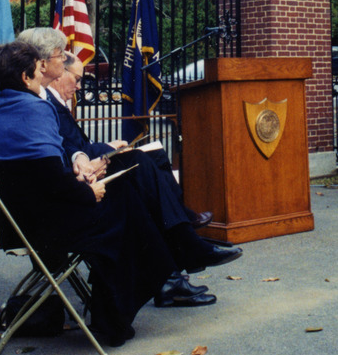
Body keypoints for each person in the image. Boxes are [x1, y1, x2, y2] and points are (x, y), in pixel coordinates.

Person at [0, 39, 239, 345]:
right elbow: (48, 176)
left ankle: (132, 297)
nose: (44, 72)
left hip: (19, 221)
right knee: (127, 200)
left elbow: (32, 173)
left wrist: (81, 175)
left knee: (127, 186)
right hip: (46, 226)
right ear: (26, 78)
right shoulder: (34, 110)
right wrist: (88, 192)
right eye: (37, 69)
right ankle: (117, 315)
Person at [48, 51, 216, 307]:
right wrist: (104, 147)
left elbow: (73, 148)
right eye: (77, 79)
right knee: (142, 172)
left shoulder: (52, 104)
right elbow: (66, 153)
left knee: (155, 157)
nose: (79, 87)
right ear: (58, 73)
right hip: (79, 195)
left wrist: (100, 148)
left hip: (82, 182)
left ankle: (181, 232)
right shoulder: (45, 106)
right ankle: (182, 246)